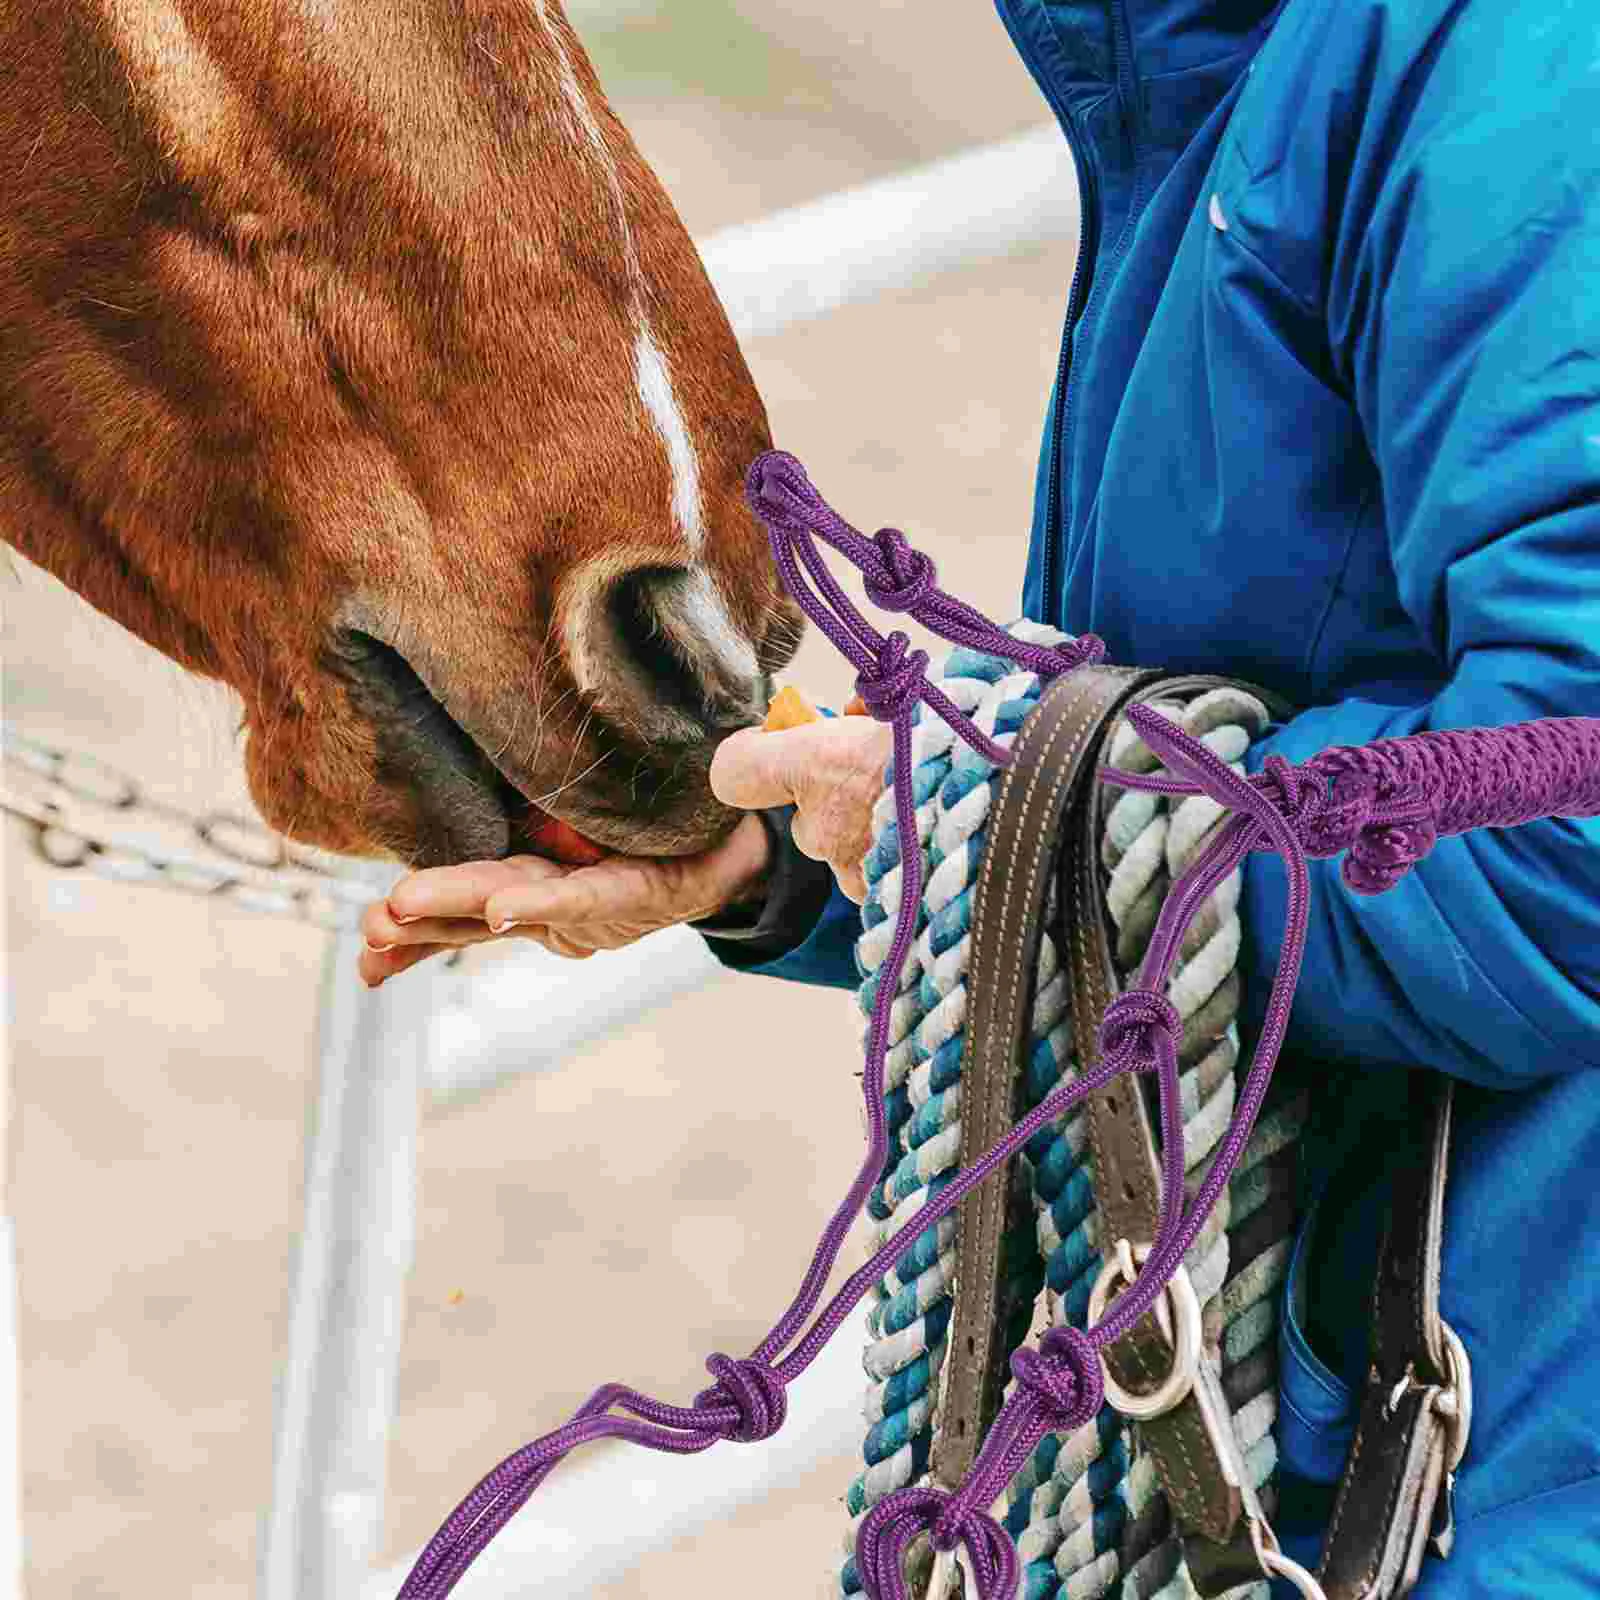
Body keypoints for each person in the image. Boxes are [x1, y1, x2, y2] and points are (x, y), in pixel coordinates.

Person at [358, 0, 1600, 1590]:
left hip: (1479, 1486)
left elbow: (1562, 829)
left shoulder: (1506, 67)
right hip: (1310, 1452)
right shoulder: (1193, 70)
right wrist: (789, 850)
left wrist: (993, 808)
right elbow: (1216, 705)